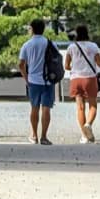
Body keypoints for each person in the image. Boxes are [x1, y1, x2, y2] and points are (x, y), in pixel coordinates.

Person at [18, 17, 59, 145]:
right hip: (48, 80)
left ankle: (34, 135)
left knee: (34, 108)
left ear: (32, 29)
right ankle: (44, 137)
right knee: (46, 108)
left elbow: (21, 64)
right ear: (43, 29)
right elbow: (57, 60)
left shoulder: (27, 45)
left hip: (33, 81)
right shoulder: (50, 43)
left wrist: (26, 78)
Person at [64, 23, 100, 143]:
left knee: (80, 107)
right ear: (87, 33)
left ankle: (84, 136)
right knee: (93, 105)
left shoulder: (71, 47)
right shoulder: (93, 46)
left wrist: (76, 67)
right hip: (89, 78)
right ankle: (88, 124)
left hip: (76, 79)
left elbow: (66, 66)